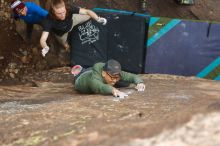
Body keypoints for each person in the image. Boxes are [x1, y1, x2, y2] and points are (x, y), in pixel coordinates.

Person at [40, 0, 107, 57]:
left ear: (65, 8)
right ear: (53, 12)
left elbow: (87, 11)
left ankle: (80, 10)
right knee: (64, 43)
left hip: (73, 21)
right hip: (61, 33)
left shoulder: (69, 8)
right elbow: (43, 39)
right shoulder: (48, 20)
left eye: (64, 11)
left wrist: (97, 19)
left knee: (88, 16)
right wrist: (45, 47)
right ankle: (66, 46)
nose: (63, 15)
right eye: (59, 13)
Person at [72, 59, 145, 98]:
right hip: (82, 77)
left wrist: (139, 82)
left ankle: (87, 69)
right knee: (84, 73)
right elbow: (98, 86)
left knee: (125, 83)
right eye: (113, 77)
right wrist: (113, 90)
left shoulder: (113, 73)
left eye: (116, 77)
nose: (115, 80)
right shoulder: (93, 80)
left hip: (95, 72)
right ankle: (80, 70)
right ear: (104, 73)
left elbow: (131, 76)